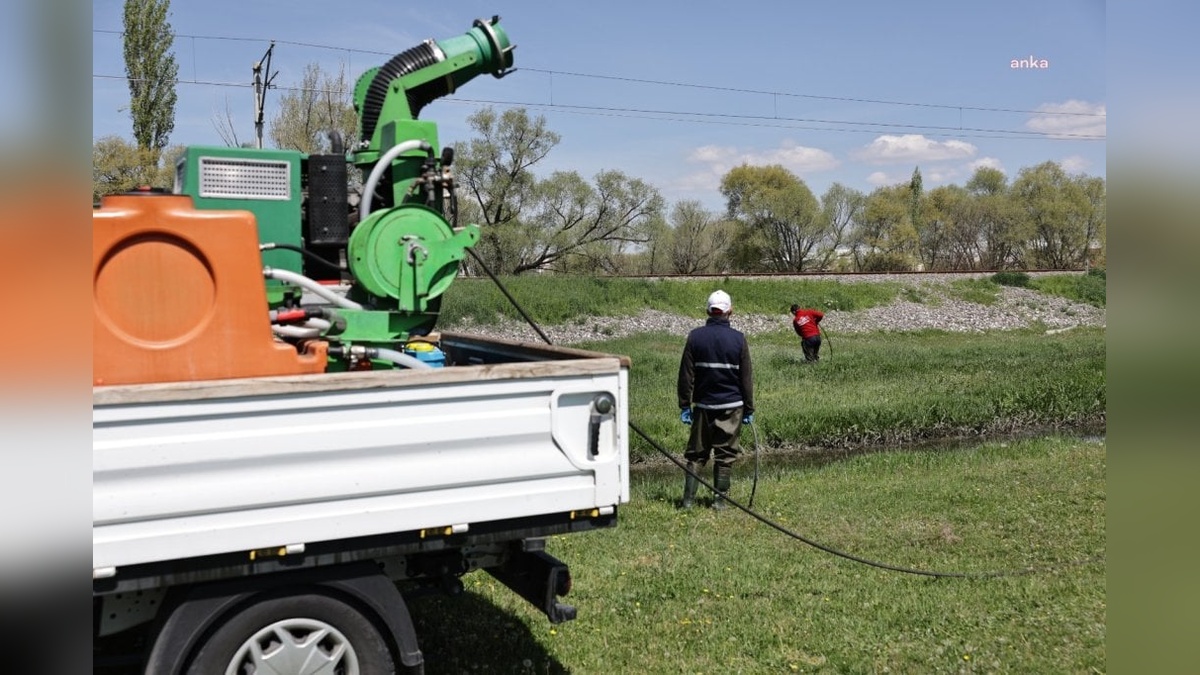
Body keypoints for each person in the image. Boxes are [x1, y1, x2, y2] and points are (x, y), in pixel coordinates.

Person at [677, 290, 754, 510]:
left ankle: (688, 502)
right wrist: (749, 408)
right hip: (732, 407)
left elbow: (686, 375)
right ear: (730, 311)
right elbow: (746, 378)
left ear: (708, 311)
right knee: (725, 455)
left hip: (703, 406)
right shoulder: (738, 339)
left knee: (696, 454)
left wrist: (685, 405)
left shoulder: (695, 337)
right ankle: (720, 502)